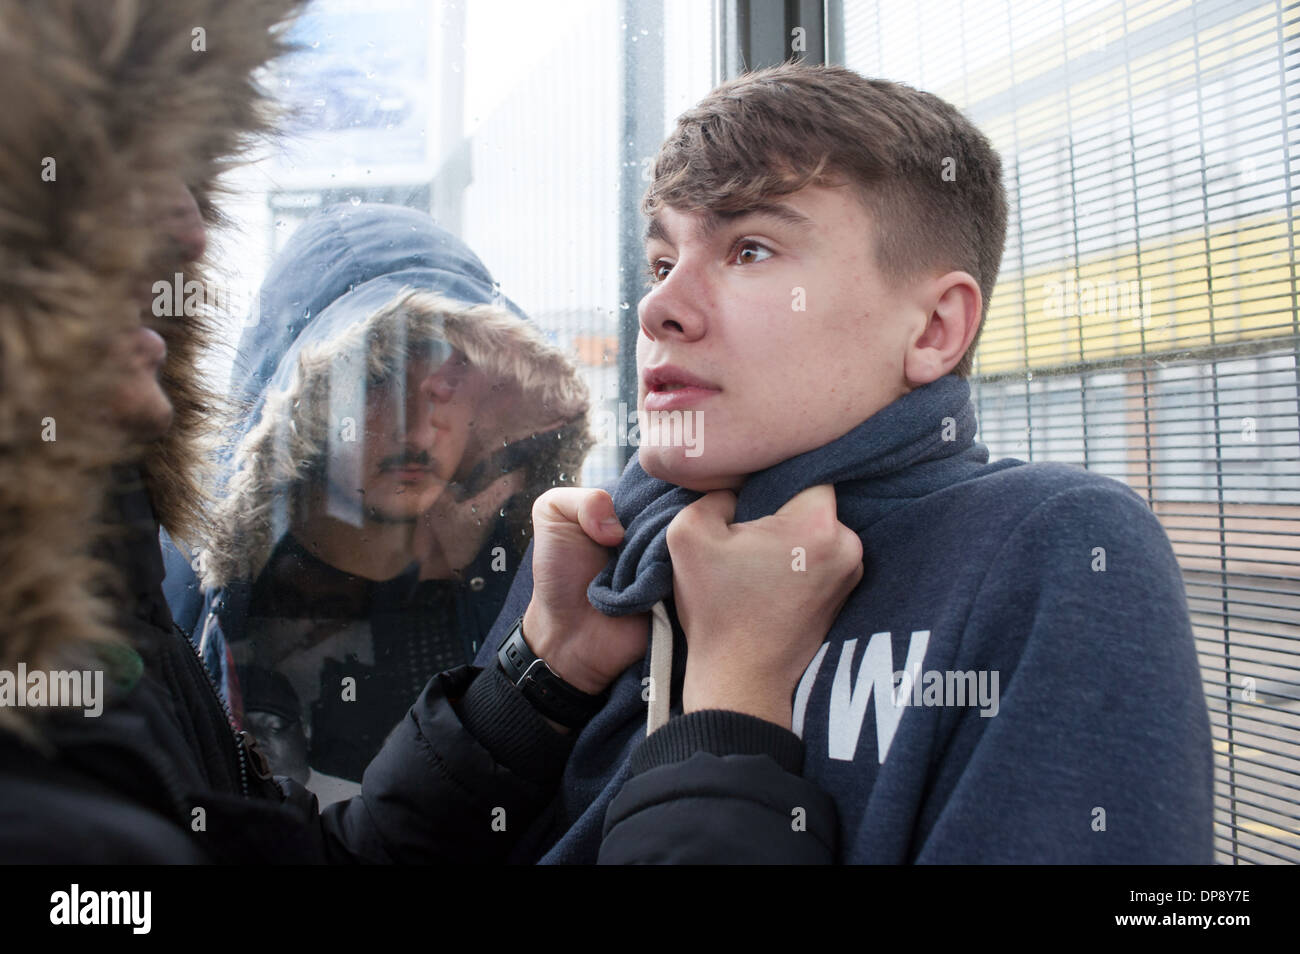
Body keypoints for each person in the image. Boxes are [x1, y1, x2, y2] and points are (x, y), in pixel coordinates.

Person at [0, 0, 841, 864]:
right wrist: (731, 714)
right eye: (371, 379)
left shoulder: (104, 599)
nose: (188, 230)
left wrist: (541, 670)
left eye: (454, 381)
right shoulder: (150, 622)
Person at [467, 62, 1216, 863]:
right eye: (661, 263)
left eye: (750, 250)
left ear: (933, 329)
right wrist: (534, 677)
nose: (658, 307)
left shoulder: (1050, 547)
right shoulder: (599, 554)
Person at [161, 202, 594, 801]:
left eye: (449, 379)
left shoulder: (543, 582)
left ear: (494, 391)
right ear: (303, 405)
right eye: (376, 379)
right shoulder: (165, 589)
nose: (418, 430)